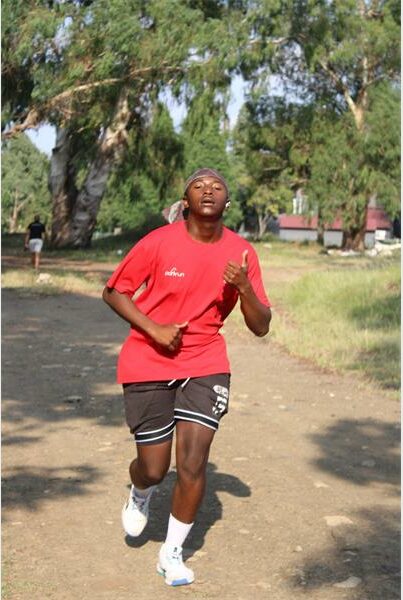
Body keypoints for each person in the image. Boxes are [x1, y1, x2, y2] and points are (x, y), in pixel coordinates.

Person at [102, 168, 272, 587]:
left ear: (228, 203)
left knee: (193, 462)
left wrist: (245, 288)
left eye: (217, 186)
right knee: (156, 468)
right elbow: (114, 291)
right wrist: (154, 329)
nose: (208, 190)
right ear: (185, 199)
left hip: (206, 361)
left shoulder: (242, 252)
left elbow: (261, 325)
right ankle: (141, 490)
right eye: (199, 185)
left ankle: (171, 553)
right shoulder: (158, 242)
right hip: (149, 358)